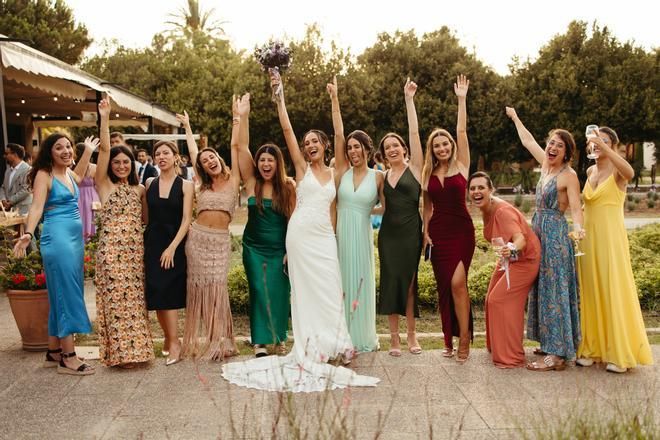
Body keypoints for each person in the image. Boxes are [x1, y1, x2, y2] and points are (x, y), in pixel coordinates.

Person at [221, 72, 379, 392]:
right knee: (305, 292)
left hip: (323, 237)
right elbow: (287, 129)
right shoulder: (301, 169)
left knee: (331, 287)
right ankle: (312, 346)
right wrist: (279, 96)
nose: (309, 146)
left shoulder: (336, 172)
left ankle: (336, 342)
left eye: (313, 142)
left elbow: (340, 133)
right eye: (306, 144)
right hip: (300, 235)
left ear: (323, 146)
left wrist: (335, 100)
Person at [505, 108, 583, 371]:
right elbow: (528, 141)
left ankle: (558, 355)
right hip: (537, 229)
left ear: (567, 152)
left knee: (555, 289)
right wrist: (516, 118)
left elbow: (576, 207)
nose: (552, 148)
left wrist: (579, 229)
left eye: (558, 146)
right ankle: (549, 342)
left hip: (555, 234)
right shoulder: (546, 166)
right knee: (542, 286)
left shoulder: (568, 176)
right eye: (551, 143)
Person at [14, 133, 97, 375]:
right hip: (57, 240)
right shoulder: (45, 174)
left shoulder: (68, 173)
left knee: (63, 291)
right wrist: (29, 233)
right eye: (59, 147)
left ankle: (53, 351)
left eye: (69, 146)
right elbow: (37, 206)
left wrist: (88, 151)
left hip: (73, 241)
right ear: (49, 152)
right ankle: (68, 357)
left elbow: (80, 176)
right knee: (66, 294)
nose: (66, 151)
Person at [576, 127, 653, 373]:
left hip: (610, 241)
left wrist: (605, 145)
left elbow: (630, 171)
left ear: (613, 144)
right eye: (594, 141)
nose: (597, 144)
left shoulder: (618, 171)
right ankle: (593, 349)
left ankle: (619, 354)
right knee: (591, 291)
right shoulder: (590, 171)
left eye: (604, 141)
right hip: (588, 241)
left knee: (612, 290)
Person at [93, 99, 154, 368]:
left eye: (125, 162)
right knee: (117, 303)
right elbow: (105, 149)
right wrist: (105, 118)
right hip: (111, 252)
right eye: (116, 162)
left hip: (134, 252)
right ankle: (120, 355)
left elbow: (145, 219)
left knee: (134, 302)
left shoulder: (139, 190)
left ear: (132, 165)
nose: (121, 166)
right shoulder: (104, 185)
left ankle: (138, 352)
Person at [233, 94, 295, 357]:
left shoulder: (288, 187)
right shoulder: (251, 182)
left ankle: (279, 338)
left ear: (277, 163)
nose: (266, 164)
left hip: (280, 247)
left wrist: (290, 251)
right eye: (262, 160)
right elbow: (241, 146)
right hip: (254, 247)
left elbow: (293, 221)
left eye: (271, 160)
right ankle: (259, 341)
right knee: (258, 289)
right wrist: (244, 115)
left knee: (280, 292)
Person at [178, 108, 239, 361]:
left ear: (218, 157)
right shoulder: (202, 185)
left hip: (220, 242)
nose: (208, 161)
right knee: (203, 290)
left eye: (211, 157)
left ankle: (223, 340)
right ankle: (214, 341)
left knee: (217, 289)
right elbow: (193, 152)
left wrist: (236, 119)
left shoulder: (234, 179)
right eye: (204, 161)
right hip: (198, 241)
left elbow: (237, 146)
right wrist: (188, 128)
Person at [421, 75, 475, 363]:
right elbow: (427, 207)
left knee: (458, 284)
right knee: (445, 288)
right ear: (432, 149)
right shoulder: (428, 173)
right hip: (438, 233)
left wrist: (461, 100)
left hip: (462, 231)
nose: (442, 148)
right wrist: (426, 233)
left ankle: (464, 340)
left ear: (452, 145)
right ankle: (448, 340)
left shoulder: (463, 165)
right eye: (437, 145)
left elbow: (462, 130)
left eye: (446, 143)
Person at [328, 76, 383, 353]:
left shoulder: (379, 177)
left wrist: (364, 209)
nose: (352, 151)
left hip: (361, 236)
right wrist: (335, 99)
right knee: (341, 285)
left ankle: (361, 337)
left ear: (366, 149)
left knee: (360, 283)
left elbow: (386, 207)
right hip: (339, 236)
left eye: (356, 146)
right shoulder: (342, 172)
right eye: (349, 148)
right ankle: (341, 338)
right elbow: (338, 134)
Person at [468, 172, 541, 368]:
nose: (476, 192)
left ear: (491, 190)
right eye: (472, 188)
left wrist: (511, 249)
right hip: (509, 260)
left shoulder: (501, 212)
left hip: (525, 260)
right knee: (490, 297)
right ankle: (497, 346)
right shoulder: (486, 208)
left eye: (481, 187)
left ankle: (511, 356)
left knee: (499, 300)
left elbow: (521, 240)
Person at [377, 78, 424, 356]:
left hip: (410, 234)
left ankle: (411, 336)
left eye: (396, 145)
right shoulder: (382, 177)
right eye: (387, 148)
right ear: (383, 155)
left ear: (404, 148)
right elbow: (380, 207)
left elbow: (415, 133)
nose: (392, 149)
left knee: (408, 284)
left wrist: (409, 101)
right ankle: (393, 338)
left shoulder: (416, 168)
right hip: (388, 236)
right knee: (390, 283)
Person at [144, 140, 194, 365]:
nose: (161, 157)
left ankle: (175, 343)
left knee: (170, 293)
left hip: (175, 244)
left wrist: (173, 247)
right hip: (153, 243)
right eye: (158, 153)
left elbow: (186, 219)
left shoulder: (185, 185)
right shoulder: (149, 182)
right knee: (157, 293)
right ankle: (167, 338)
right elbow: (146, 217)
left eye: (166, 153)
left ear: (176, 157)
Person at [73, 142, 100, 241]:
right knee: (91, 220)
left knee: (80, 220)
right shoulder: (94, 167)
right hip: (92, 197)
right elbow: (98, 185)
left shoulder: (71, 168)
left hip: (77, 196)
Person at [1, 143, 32, 215]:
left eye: (6, 153)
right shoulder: (8, 171)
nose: (4, 156)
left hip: (24, 211)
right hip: (10, 212)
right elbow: (3, 187)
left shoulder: (28, 169)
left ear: (15, 155)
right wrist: (3, 200)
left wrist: (10, 201)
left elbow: (26, 189)